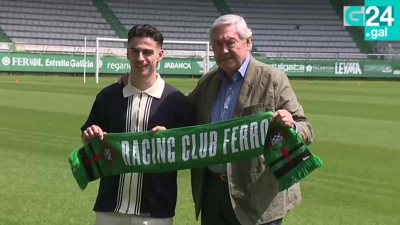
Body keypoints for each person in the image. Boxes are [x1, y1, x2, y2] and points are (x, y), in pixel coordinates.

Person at [118, 15, 314, 225]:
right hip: (212, 194)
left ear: (248, 43)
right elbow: (179, 110)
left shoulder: (272, 79)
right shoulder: (208, 82)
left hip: (258, 196)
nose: (224, 50)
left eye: (230, 42)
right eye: (217, 44)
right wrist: (137, 82)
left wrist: (290, 125)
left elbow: (305, 128)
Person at [81, 24, 194, 225]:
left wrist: (172, 141)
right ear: (127, 54)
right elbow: (86, 137)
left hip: (156, 210)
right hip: (110, 206)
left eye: (147, 52)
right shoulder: (108, 96)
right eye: (135, 51)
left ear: (160, 55)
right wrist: (91, 135)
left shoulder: (176, 101)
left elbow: (192, 148)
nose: (141, 58)